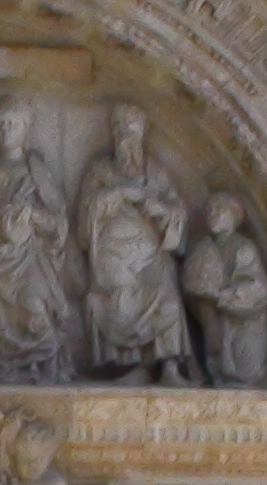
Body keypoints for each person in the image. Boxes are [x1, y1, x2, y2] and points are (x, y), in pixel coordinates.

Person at [0, 103, 73, 381]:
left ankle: (44, 369)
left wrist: (31, 215)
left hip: (25, 256)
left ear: (25, 129)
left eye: (13, 124)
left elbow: (57, 222)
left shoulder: (36, 172)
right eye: (1, 125)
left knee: (36, 310)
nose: (6, 130)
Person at [78, 105, 195, 383]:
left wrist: (161, 209)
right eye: (122, 134)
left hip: (151, 253)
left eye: (132, 135)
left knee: (167, 295)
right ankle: (128, 366)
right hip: (113, 254)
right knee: (119, 300)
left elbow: (177, 208)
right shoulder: (100, 172)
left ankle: (168, 366)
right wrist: (118, 193)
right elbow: (86, 212)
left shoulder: (155, 174)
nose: (127, 142)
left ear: (142, 138)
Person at [182, 192, 267, 387]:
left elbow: (258, 289)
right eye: (210, 211)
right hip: (218, 327)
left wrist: (219, 295)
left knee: (249, 377)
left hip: (247, 325)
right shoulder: (204, 249)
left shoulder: (244, 248)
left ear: (233, 217)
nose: (213, 215)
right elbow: (191, 285)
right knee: (226, 377)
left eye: (220, 210)